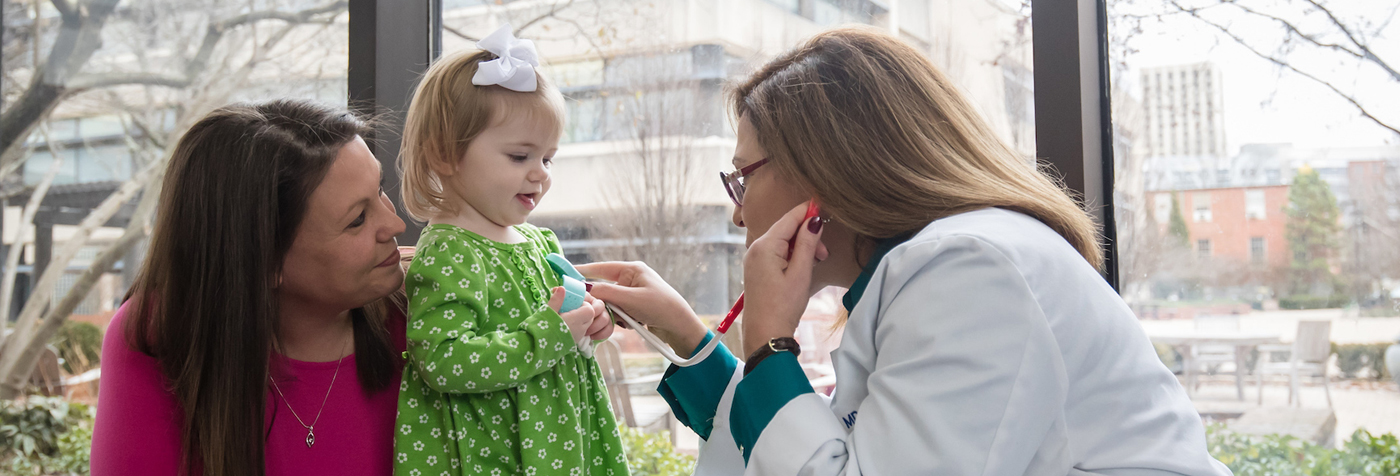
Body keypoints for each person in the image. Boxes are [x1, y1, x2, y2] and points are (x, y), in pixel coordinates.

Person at [579, 27, 1232, 475]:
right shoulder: (945, 266)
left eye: (742, 175)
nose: (736, 207)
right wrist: (691, 339)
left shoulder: (971, 271)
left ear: (820, 171)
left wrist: (771, 343)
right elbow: (820, 445)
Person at [91, 99, 410, 476]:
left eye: (381, 189)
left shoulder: (433, 310)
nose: (395, 225)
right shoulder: (157, 333)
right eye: (357, 219)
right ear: (266, 260)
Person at [391, 25, 625, 476]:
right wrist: (550, 335)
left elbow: (561, 326)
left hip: (562, 440)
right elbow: (441, 361)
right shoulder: (449, 252)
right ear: (444, 154)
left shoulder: (541, 242)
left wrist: (590, 322)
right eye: (520, 157)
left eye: (548, 158)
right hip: (493, 453)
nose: (540, 174)